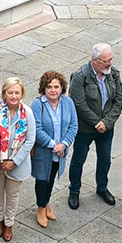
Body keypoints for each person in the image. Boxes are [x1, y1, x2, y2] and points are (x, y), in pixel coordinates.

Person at [66, 43, 122, 209]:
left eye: (111, 59)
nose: (110, 64)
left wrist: (106, 123)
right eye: (106, 61)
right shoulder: (79, 76)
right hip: (85, 128)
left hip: (106, 128)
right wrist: (96, 122)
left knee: (105, 159)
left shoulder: (114, 74)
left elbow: (120, 98)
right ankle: (74, 191)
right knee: (78, 160)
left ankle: (102, 188)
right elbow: (78, 103)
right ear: (95, 61)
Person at [30, 71, 77, 228]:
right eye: (49, 87)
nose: (53, 90)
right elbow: (36, 129)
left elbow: (73, 125)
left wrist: (63, 144)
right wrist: (52, 145)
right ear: (44, 88)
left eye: (56, 86)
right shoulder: (38, 104)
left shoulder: (68, 102)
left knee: (51, 178)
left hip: (61, 151)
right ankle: (41, 208)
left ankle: (46, 203)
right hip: (44, 152)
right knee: (42, 180)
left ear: (62, 87)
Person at [0, 77, 35, 242]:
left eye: (17, 92)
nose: (14, 96)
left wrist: (14, 161)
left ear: (22, 93)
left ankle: (9, 223)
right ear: (4, 93)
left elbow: (30, 140)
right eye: (10, 92)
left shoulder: (27, 112)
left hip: (17, 163)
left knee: (13, 195)